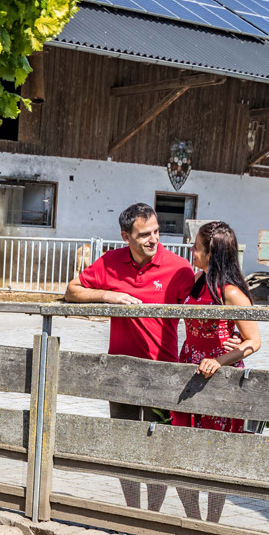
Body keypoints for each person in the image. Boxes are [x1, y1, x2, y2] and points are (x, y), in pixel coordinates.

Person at [65, 202, 196, 511]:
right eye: (144, 235)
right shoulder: (110, 262)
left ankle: (153, 515)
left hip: (163, 373)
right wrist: (107, 295)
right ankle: (132, 513)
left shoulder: (179, 269)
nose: (153, 240)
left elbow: (200, 315)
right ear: (126, 236)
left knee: (158, 449)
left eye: (156, 232)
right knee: (123, 447)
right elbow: (72, 290)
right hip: (120, 372)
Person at [171, 220, 262, 524]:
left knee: (214, 458)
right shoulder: (197, 281)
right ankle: (194, 523)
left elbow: (254, 340)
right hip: (189, 371)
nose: (191, 250)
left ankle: (211, 527)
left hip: (219, 378)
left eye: (196, 246)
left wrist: (221, 360)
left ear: (212, 252)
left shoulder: (232, 292)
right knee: (183, 455)